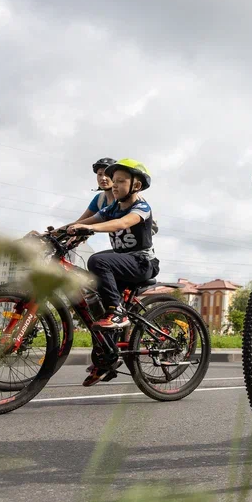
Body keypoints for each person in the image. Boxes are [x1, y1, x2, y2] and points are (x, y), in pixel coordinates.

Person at [68, 159, 158, 386]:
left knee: (98, 260)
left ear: (136, 186)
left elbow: (121, 223)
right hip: (123, 264)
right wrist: (54, 233)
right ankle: (106, 359)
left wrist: (89, 229)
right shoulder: (111, 207)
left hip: (141, 263)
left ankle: (118, 313)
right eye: (113, 181)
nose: (114, 185)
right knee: (96, 304)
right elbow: (87, 220)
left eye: (120, 181)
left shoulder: (141, 207)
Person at [71, 158, 117, 224]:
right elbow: (80, 222)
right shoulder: (99, 199)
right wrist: (54, 232)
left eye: (107, 174)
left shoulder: (124, 198)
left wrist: (91, 227)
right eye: (100, 174)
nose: (103, 178)